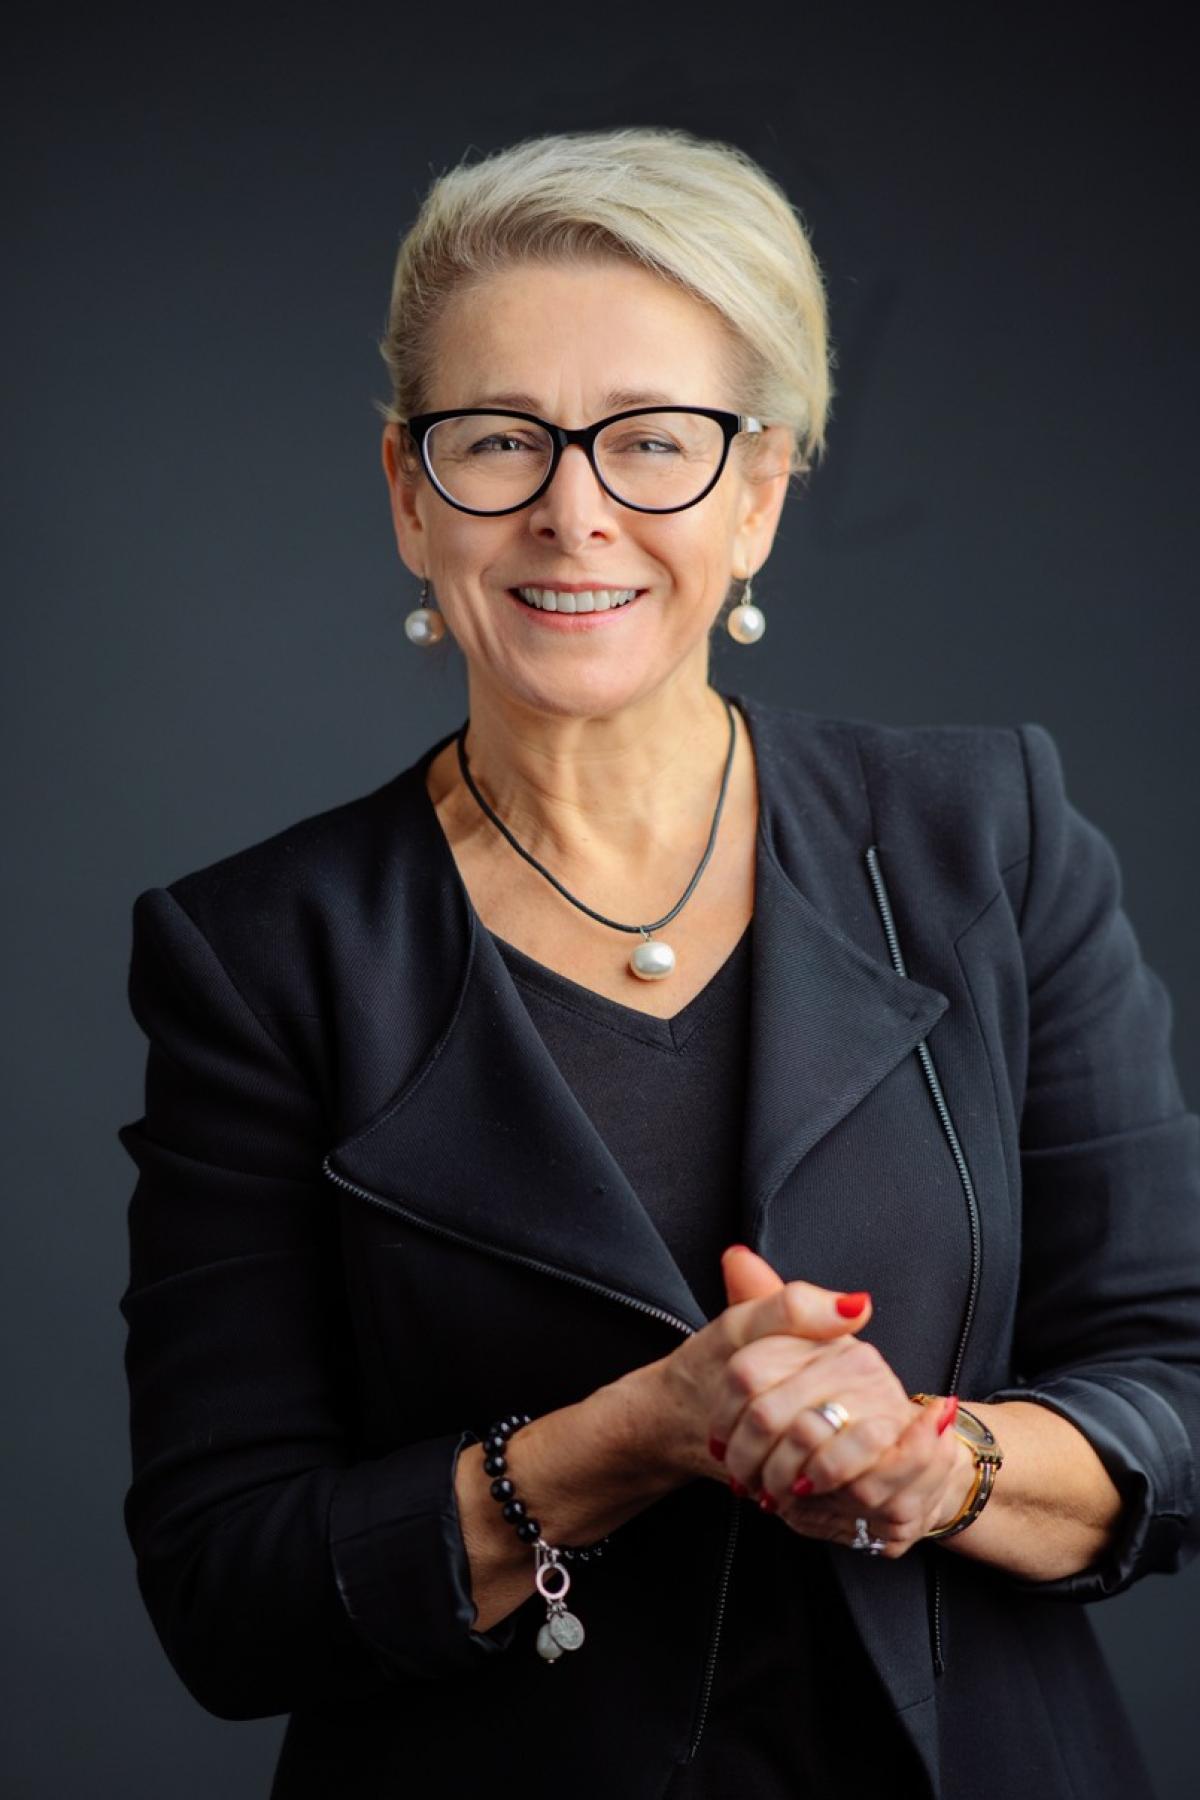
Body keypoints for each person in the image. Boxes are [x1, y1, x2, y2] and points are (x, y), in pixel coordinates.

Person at [117, 126, 1200, 1800]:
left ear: (760, 492)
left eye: (655, 445)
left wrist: (938, 1464)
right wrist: (626, 1441)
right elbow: (228, 1592)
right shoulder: (259, 952)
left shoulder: (988, 835)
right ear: (409, 495)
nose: (573, 512)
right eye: (498, 442)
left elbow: (1179, 1379)